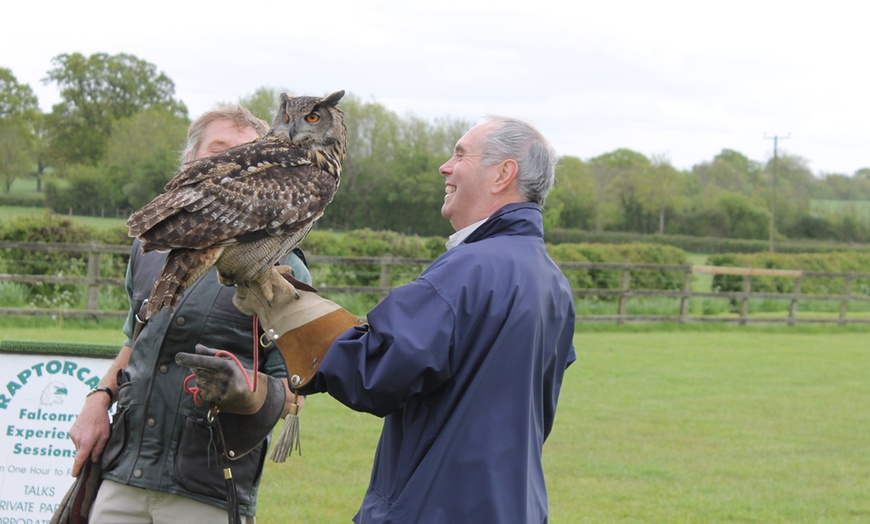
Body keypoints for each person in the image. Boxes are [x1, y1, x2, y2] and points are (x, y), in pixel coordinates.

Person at [199, 116, 576, 523]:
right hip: (514, 506)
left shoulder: (471, 269)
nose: (444, 166)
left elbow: (375, 370)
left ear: (504, 173)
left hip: (438, 505)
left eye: (461, 154)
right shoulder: (552, 282)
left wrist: (288, 311)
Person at [68, 103, 310, 523]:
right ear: (189, 165)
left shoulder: (282, 262)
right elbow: (134, 343)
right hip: (124, 471)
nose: (233, 168)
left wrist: (247, 391)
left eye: (247, 159)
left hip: (207, 489)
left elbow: (297, 389)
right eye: (220, 153)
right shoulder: (150, 251)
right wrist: (98, 398)